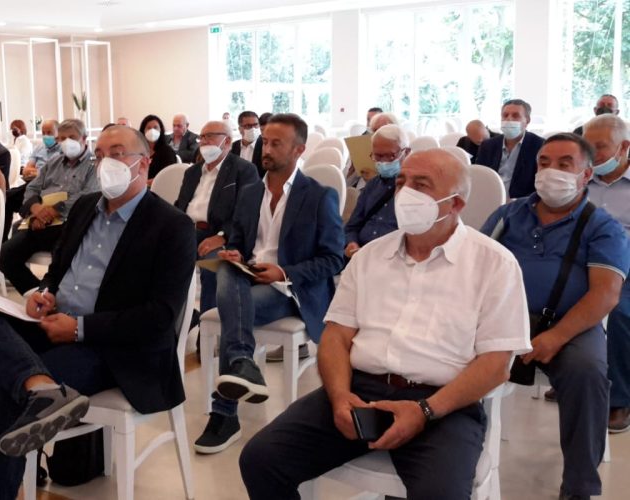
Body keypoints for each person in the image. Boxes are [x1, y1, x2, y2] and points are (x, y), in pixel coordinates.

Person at [239, 148, 532, 500]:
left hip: (442, 403)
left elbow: (496, 364)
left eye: (421, 185)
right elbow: (336, 336)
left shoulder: (494, 264)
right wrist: (340, 396)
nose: (405, 193)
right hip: (359, 390)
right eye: (401, 182)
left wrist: (425, 411)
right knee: (261, 459)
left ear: (455, 204)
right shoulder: (370, 257)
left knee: (440, 495)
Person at [0, 124, 195, 499]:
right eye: (99, 155)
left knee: (5, 385)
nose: (105, 163)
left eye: (117, 153)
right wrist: (45, 293)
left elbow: (159, 317)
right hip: (56, 322)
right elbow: (57, 270)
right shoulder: (85, 207)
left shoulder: (171, 225)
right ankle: (41, 387)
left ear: (144, 163)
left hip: (114, 347)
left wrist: (79, 329)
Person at [481, 133, 628, 499]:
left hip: (570, 325)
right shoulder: (509, 214)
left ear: (586, 174)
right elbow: (474, 261)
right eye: (544, 163)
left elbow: (605, 293)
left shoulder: (602, 227)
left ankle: (579, 485)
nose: (551, 172)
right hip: (501, 318)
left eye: (565, 164)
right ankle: (448, 458)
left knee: (586, 371)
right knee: (441, 352)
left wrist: (556, 337)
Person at [194, 114, 345, 454]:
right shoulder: (250, 193)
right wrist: (233, 252)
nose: (267, 149)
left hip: (291, 290)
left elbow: (334, 259)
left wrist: (283, 272)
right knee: (227, 270)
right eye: (266, 141)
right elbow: (239, 240)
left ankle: (224, 412)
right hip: (247, 279)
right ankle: (242, 363)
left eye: (277, 143)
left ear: (299, 150)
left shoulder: (319, 196)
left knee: (233, 305)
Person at [0, 119, 100, 295]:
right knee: (5, 256)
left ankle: (52, 294)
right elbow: (32, 188)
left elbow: (88, 196)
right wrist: (36, 209)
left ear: (84, 139)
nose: (67, 142)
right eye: (62, 138)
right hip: (39, 221)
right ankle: (37, 294)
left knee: (61, 264)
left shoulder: (94, 165)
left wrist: (53, 211)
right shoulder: (53, 163)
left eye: (72, 137)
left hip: (69, 224)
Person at [174, 120, 259, 313]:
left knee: (212, 268)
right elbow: (180, 206)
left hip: (218, 234)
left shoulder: (243, 170)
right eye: (202, 137)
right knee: (157, 259)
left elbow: (247, 213)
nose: (204, 141)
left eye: (210, 136)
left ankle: (207, 322)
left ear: (227, 141)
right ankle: (179, 319)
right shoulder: (192, 172)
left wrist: (223, 236)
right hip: (188, 231)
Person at [583, 114, 630, 433]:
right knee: (552, 297)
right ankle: (575, 375)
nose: (593, 154)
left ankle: (620, 398)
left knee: (620, 313)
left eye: (600, 147)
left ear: (624, 147)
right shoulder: (580, 179)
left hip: (625, 265)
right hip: (583, 261)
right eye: (588, 146)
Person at [344, 124, 411, 258]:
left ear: (406, 152)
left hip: (393, 257)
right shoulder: (372, 185)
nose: (384, 162)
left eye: (390, 156)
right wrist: (351, 243)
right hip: (361, 254)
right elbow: (352, 226)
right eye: (378, 156)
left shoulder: (415, 189)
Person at [474, 98, 545, 199]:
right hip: (489, 199)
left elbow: (542, 186)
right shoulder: (488, 145)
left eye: (515, 116)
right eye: (505, 115)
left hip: (521, 202)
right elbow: (479, 177)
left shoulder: (539, 146)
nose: (509, 119)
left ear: (527, 120)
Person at [139, 114, 179, 181]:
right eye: (148, 128)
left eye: (155, 128)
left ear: (161, 130)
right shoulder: (138, 150)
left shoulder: (167, 152)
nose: (152, 131)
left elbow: (167, 176)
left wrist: (144, 183)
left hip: (158, 185)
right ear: (143, 131)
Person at [231, 111, 264, 177]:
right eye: (248, 126)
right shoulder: (233, 147)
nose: (253, 129)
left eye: (255, 125)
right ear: (240, 129)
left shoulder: (265, 145)